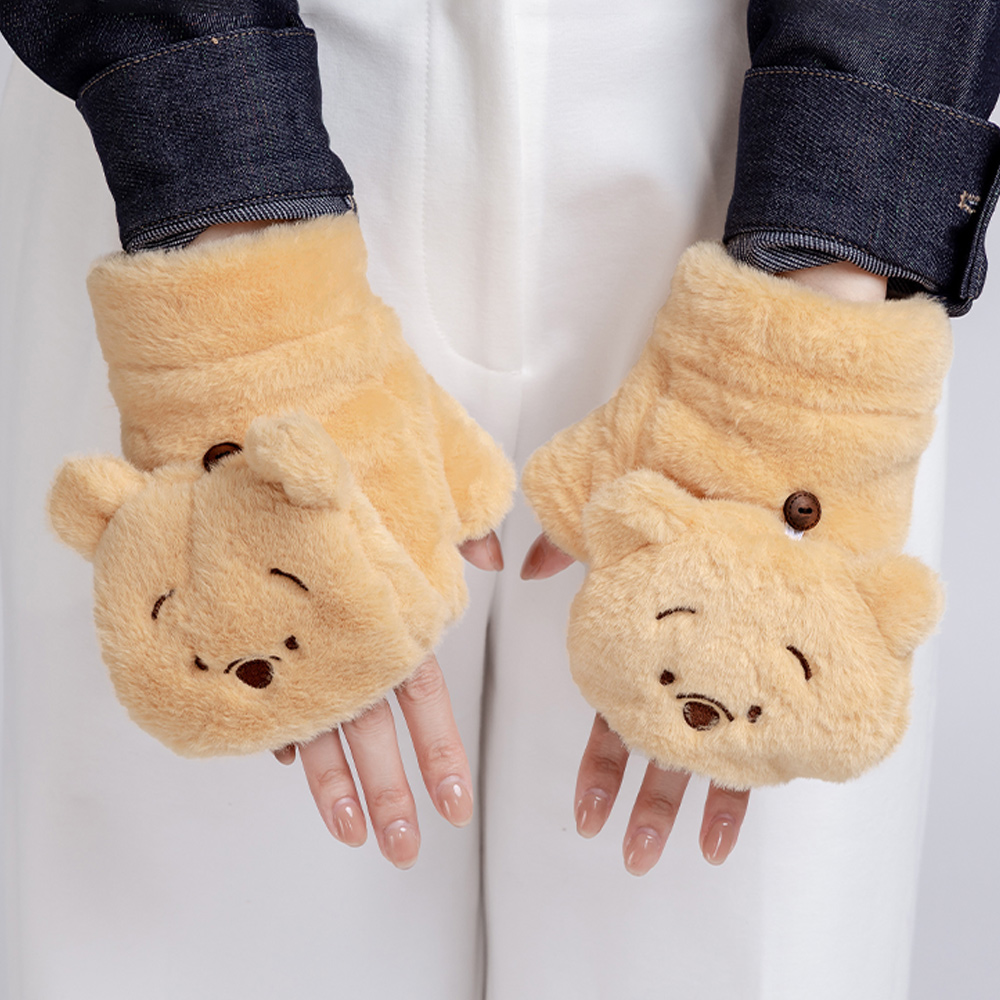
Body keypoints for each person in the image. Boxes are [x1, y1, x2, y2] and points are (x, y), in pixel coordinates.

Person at [1, 3, 998, 998]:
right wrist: (229, 263)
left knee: (715, 945)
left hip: (759, 156)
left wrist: (824, 308)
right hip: (206, 139)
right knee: (208, 940)